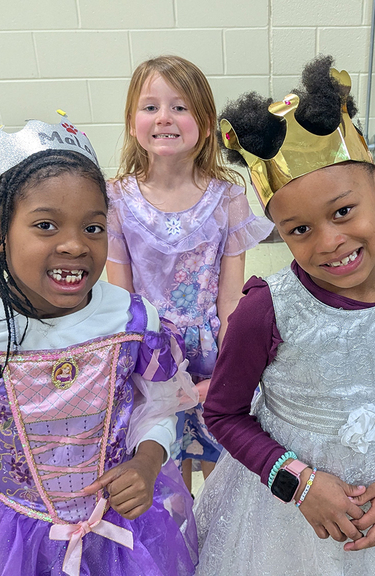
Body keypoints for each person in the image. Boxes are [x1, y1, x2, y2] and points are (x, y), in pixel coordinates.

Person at [0, 116, 200, 576]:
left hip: (127, 537)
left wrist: (147, 461)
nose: (74, 245)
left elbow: (159, 407)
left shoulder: (133, 320)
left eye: (93, 227)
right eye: (46, 225)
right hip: (19, 548)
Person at [194, 56, 375, 576]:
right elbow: (223, 414)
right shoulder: (266, 309)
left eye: (342, 212)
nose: (330, 242)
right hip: (281, 516)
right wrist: (298, 483)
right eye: (299, 230)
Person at [105, 55, 273, 491]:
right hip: (150, 351)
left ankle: (219, 549)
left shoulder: (227, 196)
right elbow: (120, 299)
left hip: (209, 351)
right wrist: (131, 361)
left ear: (204, 121)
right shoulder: (116, 199)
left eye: (179, 107)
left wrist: (231, 362)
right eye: (150, 107)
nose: (165, 118)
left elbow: (231, 296)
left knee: (220, 463)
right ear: (130, 121)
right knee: (162, 466)